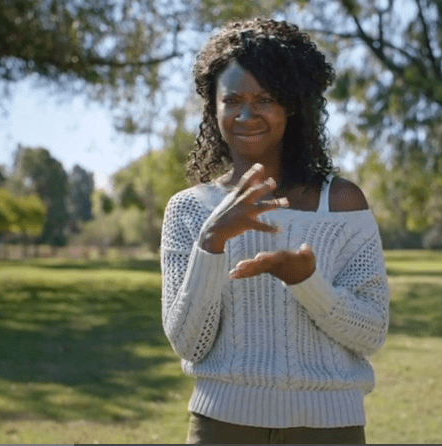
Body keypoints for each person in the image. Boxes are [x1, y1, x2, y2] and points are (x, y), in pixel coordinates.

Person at [160, 18, 390, 444]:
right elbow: (189, 343)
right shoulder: (189, 209)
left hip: (329, 429)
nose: (246, 115)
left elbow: (370, 333)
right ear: (213, 108)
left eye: (265, 99)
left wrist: (306, 281)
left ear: (293, 106)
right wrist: (211, 241)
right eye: (232, 100)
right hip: (221, 427)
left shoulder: (341, 203)